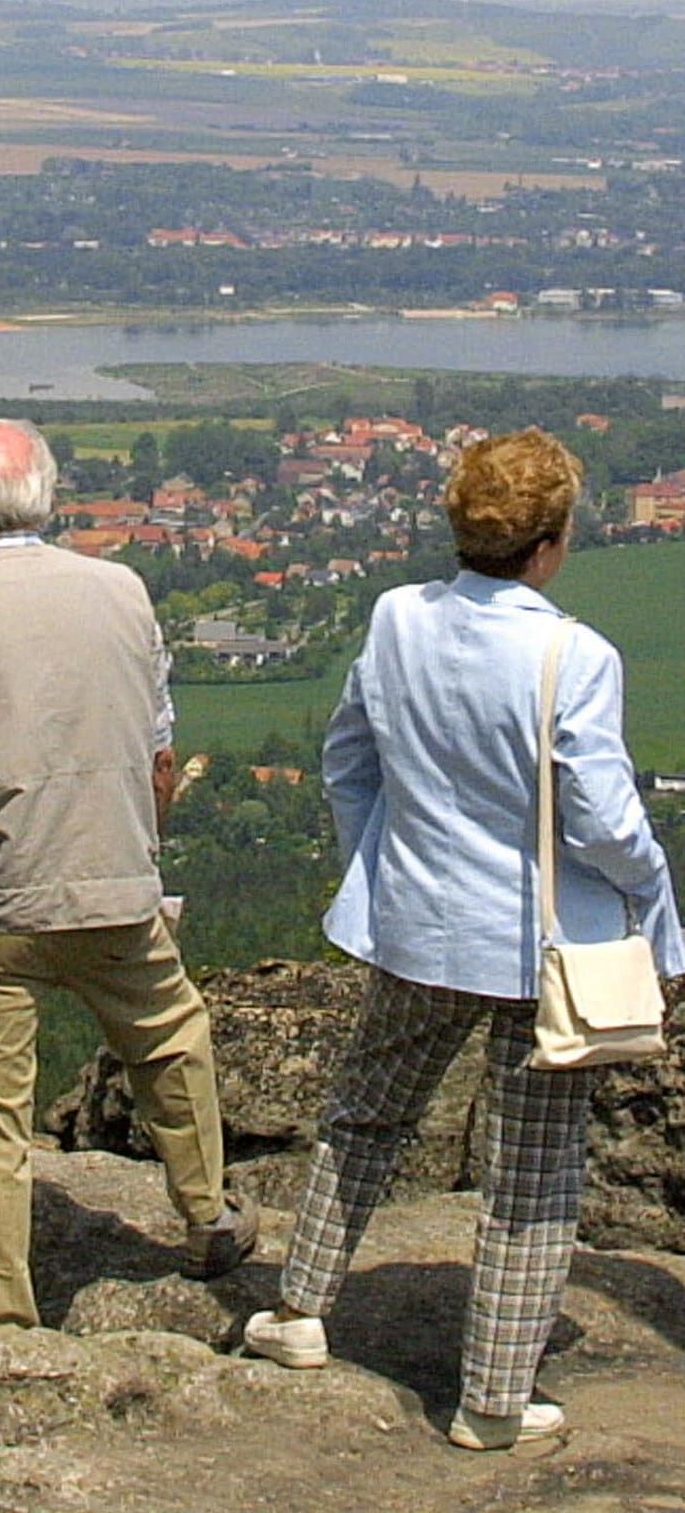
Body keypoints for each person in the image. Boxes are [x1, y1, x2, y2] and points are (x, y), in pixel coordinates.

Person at [243, 428, 685, 1449]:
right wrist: (651, 901)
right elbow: (605, 822)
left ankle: (301, 1308)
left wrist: (377, 868)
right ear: (550, 542)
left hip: (413, 926)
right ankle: (490, 1396)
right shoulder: (574, 655)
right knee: (531, 1172)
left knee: (365, 1113)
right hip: (541, 950)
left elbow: (348, 755)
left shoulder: (395, 617)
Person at [0, 417, 256, 1340]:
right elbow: (160, 758)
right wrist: (135, 852)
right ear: (48, 501)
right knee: (169, 1035)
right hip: (114, 877)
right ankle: (209, 1218)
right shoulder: (123, 592)